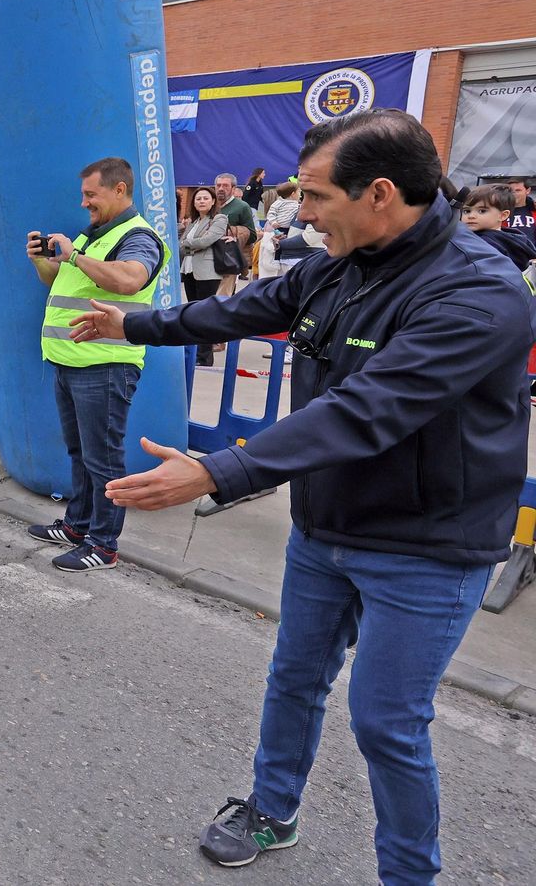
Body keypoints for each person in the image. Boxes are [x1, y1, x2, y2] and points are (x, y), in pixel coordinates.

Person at [68, 110, 532, 883]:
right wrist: (136, 324)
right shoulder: (339, 264)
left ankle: (409, 875)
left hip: (428, 546)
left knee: (386, 724)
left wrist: (219, 470)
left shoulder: (479, 293)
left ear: (379, 193)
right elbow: (239, 309)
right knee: (293, 679)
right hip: (325, 526)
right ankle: (272, 810)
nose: (302, 213)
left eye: (314, 196)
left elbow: (366, 409)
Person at [17, 157, 167, 572]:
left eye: (90, 194)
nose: (84, 203)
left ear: (119, 190)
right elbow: (60, 281)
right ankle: (77, 526)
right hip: (73, 362)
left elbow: (130, 280)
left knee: (103, 459)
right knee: (81, 453)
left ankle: (103, 545)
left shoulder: (138, 236)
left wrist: (75, 254)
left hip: (106, 364)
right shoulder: (95, 234)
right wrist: (42, 260)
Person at [179, 187, 228, 366]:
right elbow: (181, 245)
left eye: (205, 198)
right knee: (193, 313)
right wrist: (192, 245)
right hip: (189, 270)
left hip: (207, 272)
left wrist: (189, 245)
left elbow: (207, 241)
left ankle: (204, 357)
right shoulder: (193, 222)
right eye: (198, 198)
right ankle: (195, 354)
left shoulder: (219, 219)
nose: (201, 201)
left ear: (213, 201)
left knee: (205, 314)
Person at [213, 172, 257, 294]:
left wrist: (233, 233)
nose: (221, 188)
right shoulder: (210, 204)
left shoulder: (242, 207)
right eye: (218, 185)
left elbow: (252, 235)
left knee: (223, 296)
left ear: (233, 188)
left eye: (225, 185)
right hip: (207, 257)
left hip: (228, 259)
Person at [503, 176, 534, 242]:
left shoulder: (533, 210)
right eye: (510, 191)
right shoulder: (500, 211)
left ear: (528, 191)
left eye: (518, 190)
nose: (513, 194)